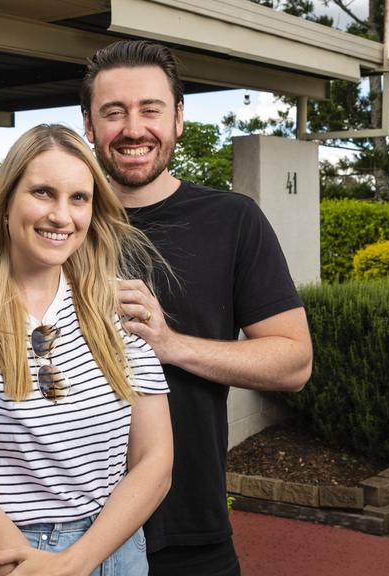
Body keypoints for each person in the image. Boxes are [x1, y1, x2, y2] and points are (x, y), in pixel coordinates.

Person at [79, 40, 313, 576]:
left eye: (150, 109)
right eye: (113, 112)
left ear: (179, 119)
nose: (133, 128)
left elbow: (294, 363)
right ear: (89, 125)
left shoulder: (232, 220)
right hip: (65, 523)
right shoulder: (62, 221)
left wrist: (169, 344)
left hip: (190, 527)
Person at [0, 124, 174, 576]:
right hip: (4, 554)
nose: (61, 216)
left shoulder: (119, 309)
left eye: (79, 198)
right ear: (6, 202)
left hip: (117, 548)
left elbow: (155, 461)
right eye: (43, 193)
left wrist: (77, 562)